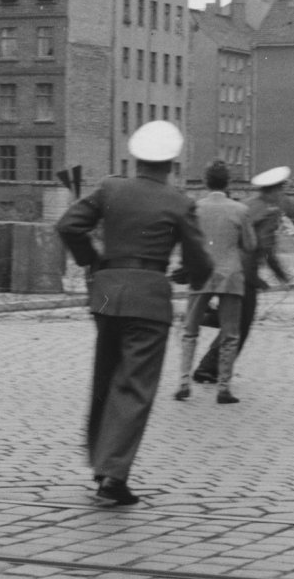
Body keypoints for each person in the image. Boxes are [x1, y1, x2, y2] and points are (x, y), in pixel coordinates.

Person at [56, 120, 212, 505]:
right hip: (148, 299)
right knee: (134, 388)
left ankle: (99, 462)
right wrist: (186, 274)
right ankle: (113, 477)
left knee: (105, 379)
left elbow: (68, 225)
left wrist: (93, 261)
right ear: (172, 162)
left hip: (106, 297)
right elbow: (200, 263)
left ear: (136, 157)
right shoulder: (179, 201)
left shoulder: (110, 187)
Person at [192, 165, 292, 384]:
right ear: (273, 191)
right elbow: (264, 248)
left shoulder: (248, 205)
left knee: (233, 320)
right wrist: (276, 276)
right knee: (240, 325)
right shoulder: (269, 212)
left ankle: (208, 356)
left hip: (221, 268)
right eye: (281, 189)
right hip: (243, 274)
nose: (282, 194)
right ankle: (209, 368)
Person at [175, 160, 257, 404]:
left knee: (190, 331)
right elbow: (251, 245)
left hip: (201, 274)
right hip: (230, 274)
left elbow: (186, 243)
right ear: (228, 182)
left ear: (204, 182)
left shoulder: (194, 208)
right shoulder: (240, 210)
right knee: (230, 333)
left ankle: (183, 383)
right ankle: (223, 387)